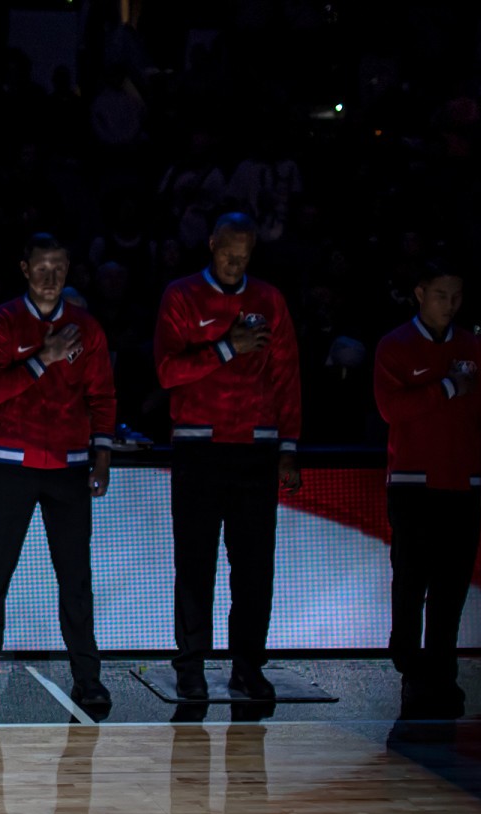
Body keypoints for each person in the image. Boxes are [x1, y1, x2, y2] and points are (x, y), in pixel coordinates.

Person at [0, 234, 117, 713]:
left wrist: (102, 454)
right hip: (12, 465)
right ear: (25, 269)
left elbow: (102, 395)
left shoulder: (86, 327)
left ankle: (88, 678)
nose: (51, 278)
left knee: (76, 579)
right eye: (42, 268)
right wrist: (42, 358)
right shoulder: (2, 321)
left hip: (70, 466)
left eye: (59, 269)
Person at [154, 212, 301, 700]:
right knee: (195, 563)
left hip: (256, 449)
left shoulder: (270, 300)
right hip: (198, 446)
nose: (235, 264)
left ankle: (247, 666)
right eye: (228, 254)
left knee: (255, 567)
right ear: (212, 244)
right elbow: (167, 371)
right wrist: (227, 348)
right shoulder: (181, 295)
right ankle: (190, 666)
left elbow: (287, 377)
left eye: (244, 256)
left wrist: (288, 447)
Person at [373, 262, 481, 717]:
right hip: (412, 486)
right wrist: (447, 387)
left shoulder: (475, 348)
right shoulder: (394, 346)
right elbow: (391, 408)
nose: (450, 304)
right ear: (420, 293)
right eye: (441, 295)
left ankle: (443, 676)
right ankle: (412, 670)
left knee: (451, 588)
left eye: (456, 296)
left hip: (463, 485)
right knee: (411, 582)